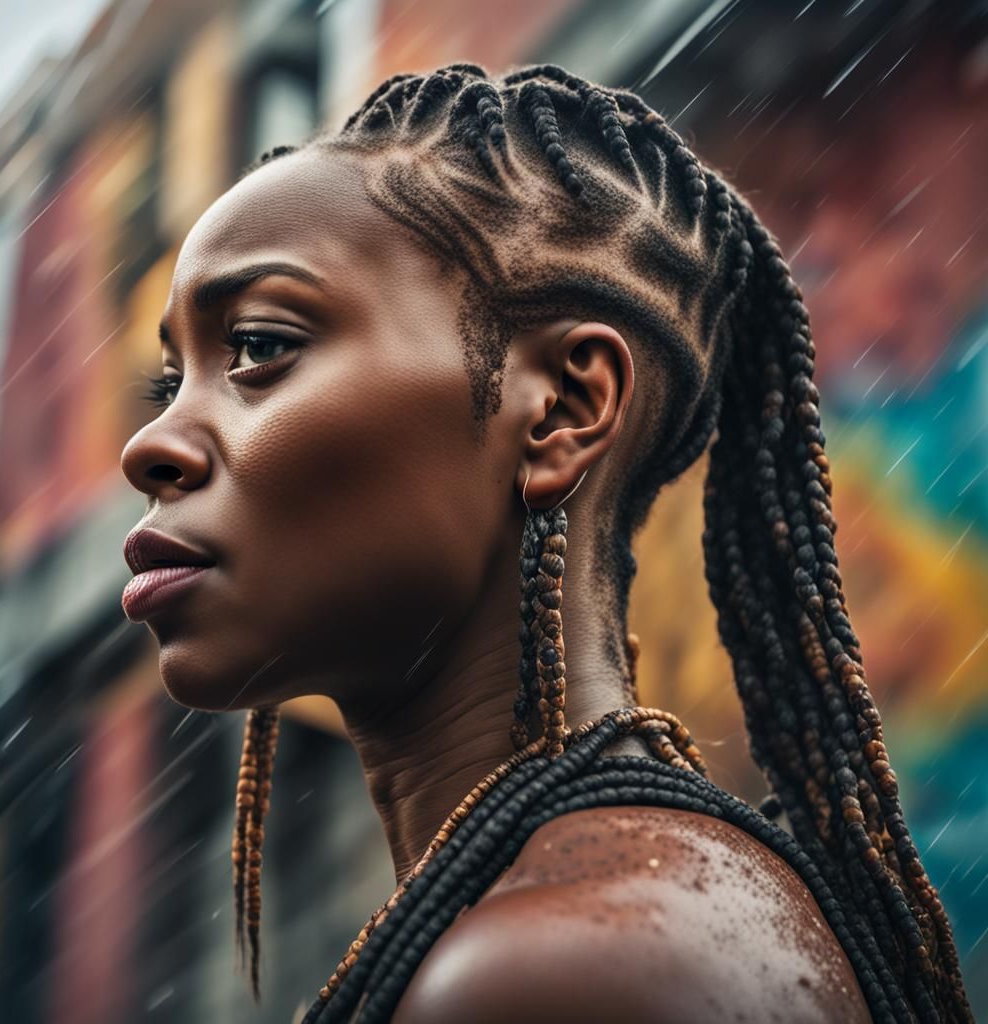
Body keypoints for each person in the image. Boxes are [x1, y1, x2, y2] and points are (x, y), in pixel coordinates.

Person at [119, 62, 972, 1023]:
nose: (150, 445)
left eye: (261, 346)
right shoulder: (626, 912)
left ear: (563, 409)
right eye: (169, 383)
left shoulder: (563, 969)